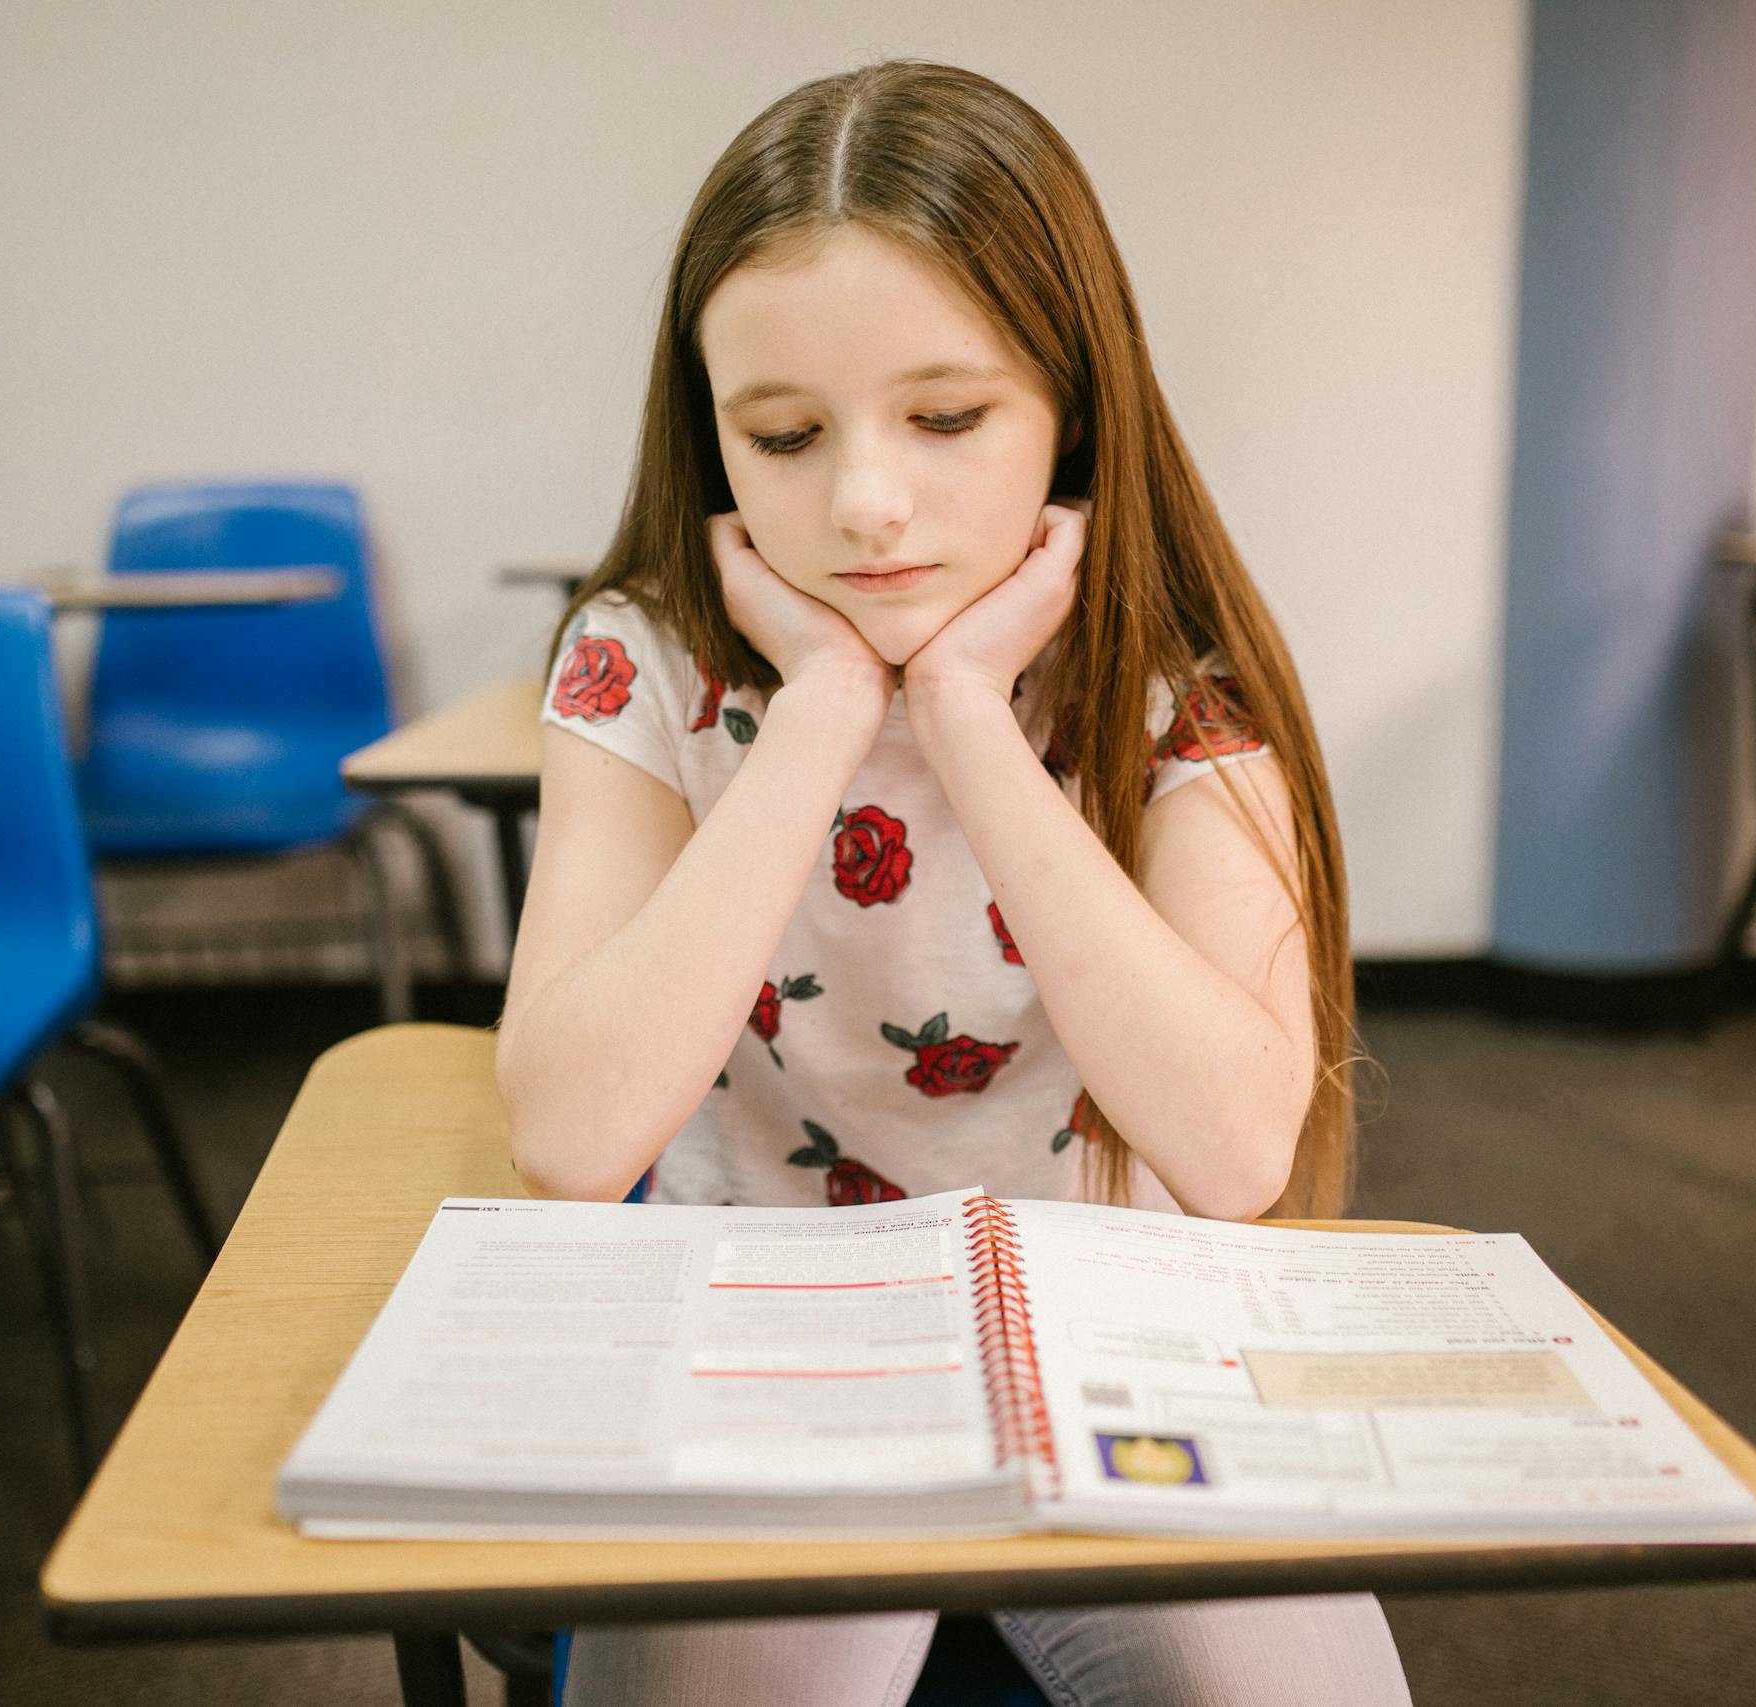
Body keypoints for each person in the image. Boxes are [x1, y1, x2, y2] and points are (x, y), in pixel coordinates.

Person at [495, 58, 1407, 1707]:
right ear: (711, 437)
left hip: (1120, 1332)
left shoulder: (1174, 685)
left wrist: (971, 716)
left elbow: (1232, 1146)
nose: (863, 502)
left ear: (1072, 407)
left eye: (947, 417)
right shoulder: (640, 665)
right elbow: (571, 1131)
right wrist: (826, 712)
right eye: (782, 435)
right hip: (777, 1331)